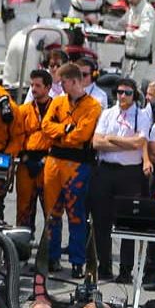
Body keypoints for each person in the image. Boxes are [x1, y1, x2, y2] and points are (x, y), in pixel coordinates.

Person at [40, 63, 103, 277]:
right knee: (52, 213)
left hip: (77, 165)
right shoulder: (57, 102)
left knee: (76, 214)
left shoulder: (93, 106)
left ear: (74, 81)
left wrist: (62, 134)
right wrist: (64, 129)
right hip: (53, 162)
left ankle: (78, 261)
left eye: (63, 82)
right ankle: (52, 257)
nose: (60, 85)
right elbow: (46, 127)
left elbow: (82, 135)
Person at [90, 78, 152, 282]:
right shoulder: (108, 114)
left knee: (127, 222)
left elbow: (140, 141)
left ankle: (126, 270)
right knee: (101, 220)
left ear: (135, 95)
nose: (122, 96)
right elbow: (97, 142)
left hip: (130, 173)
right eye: (119, 92)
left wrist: (113, 140)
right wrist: (125, 144)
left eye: (127, 93)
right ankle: (104, 265)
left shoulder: (141, 115)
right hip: (106, 171)